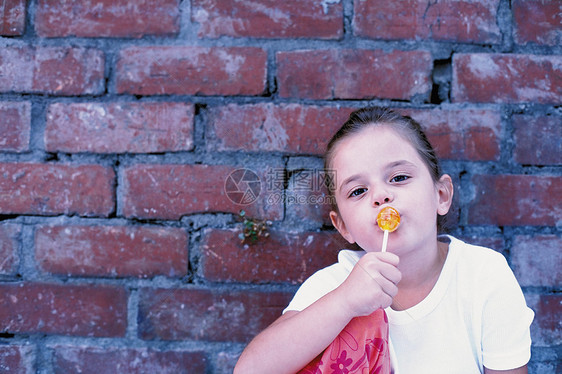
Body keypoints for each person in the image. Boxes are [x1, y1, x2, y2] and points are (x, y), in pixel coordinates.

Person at [234, 107, 534, 374]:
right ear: (343, 227)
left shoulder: (483, 275)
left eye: (399, 178)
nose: (380, 196)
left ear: (440, 195)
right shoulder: (334, 285)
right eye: (358, 191)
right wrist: (344, 302)